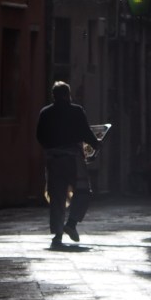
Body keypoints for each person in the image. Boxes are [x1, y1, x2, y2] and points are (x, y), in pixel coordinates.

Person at [35, 81, 102, 249]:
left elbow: (39, 136)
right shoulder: (76, 111)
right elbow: (85, 132)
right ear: (68, 95)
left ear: (54, 96)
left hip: (54, 160)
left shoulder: (45, 112)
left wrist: (51, 148)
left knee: (57, 197)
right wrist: (96, 144)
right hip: (73, 159)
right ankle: (71, 224)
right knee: (83, 192)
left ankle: (57, 235)